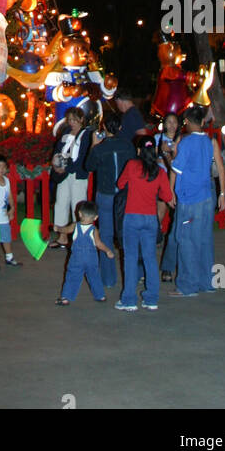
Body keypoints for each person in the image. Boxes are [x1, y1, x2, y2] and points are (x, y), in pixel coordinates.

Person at [168, 105, 225, 297]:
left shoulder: (185, 143)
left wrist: (170, 192)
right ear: (202, 122)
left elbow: (175, 171)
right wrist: (222, 194)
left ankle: (187, 285)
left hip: (188, 197)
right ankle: (207, 281)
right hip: (206, 197)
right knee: (204, 239)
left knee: (185, 240)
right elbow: (221, 169)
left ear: (186, 122)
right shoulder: (211, 142)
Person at [115, 138, 174, 311]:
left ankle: (129, 300)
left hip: (132, 216)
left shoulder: (132, 165)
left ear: (139, 151)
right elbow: (166, 196)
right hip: (150, 218)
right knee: (150, 258)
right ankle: (151, 298)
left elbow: (120, 184)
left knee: (131, 258)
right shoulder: (160, 171)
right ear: (155, 151)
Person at [84, 111, 135, 289]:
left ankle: (108, 278)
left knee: (105, 236)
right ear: (120, 127)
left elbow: (88, 166)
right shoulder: (128, 146)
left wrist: (93, 145)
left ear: (104, 127)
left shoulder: (100, 148)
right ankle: (133, 275)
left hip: (105, 194)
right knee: (127, 235)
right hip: (123, 195)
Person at [55, 201, 115, 304]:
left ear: (79, 214)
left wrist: (58, 228)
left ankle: (66, 297)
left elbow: (65, 230)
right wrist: (108, 250)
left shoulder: (75, 226)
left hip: (76, 259)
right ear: (95, 217)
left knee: (72, 276)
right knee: (94, 276)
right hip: (91, 259)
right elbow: (99, 243)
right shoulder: (94, 230)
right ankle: (100, 296)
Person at [50, 107, 91, 246]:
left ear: (81, 119)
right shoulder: (66, 132)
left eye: (74, 119)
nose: (72, 122)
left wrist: (67, 168)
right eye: (70, 120)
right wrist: (57, 165)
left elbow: (83, 156)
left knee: (78, 204)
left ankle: (78, 237)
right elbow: (57, 149)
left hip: (77, 174)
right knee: (61, 202)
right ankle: (62, 236)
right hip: (64, 174)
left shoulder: (87, 134)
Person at [156, 113, 181, 279]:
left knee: (177, 212)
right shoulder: (158, 138)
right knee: (160, 209)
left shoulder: (181, 140)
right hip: (162, 177)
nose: (171, 125)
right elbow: (153, 157)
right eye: (168, 122)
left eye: (174, 122)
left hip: (178, 179)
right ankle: (156, 235)